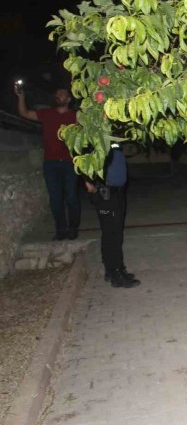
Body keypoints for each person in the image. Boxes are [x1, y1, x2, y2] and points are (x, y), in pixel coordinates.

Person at [16, 86, 81, 240]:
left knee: (71, 197)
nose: (58, 95)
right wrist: (20, 96)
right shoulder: (47, 114)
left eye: (62, 93)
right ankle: (60, 230)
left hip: (70, 162)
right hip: (50, 162)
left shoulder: (75, 116)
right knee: (55, 198)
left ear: (68, 99)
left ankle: (73, 228)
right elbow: (24, 113)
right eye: (57, 93)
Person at [84, 143, 140, 288]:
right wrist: (91, 186)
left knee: (117, 233)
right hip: (106, 194)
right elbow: (83, 161)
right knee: (111, 233)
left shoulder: (113, 133)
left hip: (118, 192)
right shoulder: (94, 133)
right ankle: (115, 273)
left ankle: (117, 268)